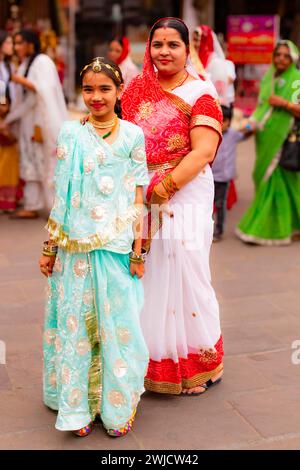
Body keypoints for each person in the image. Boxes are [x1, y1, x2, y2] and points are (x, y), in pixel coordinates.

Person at [39, 57, 149, 437]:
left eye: (105, 89)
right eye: (89, 89)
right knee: (75, 327)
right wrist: (50, 247)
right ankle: (77, 407)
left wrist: (138, 251)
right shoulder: (71, 133)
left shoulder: (133, 135)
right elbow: (61, 193)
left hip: (116, 246)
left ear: (119, 92)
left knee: (118, 325)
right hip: (74, 247)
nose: (96, 97)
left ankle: (116, 406)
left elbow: (140, 196)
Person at [122, 18, 224, 395]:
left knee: (185, 268)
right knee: (148, 274)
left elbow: (204, 151)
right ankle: (151, 360)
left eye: (173, 45)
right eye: (157, 44)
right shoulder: (135, 88)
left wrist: (165, 185)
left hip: (184, 191)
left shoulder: (200, 91)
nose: (164, 51)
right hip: (140, 193)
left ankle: (198, 361)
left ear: (186, 50)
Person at [236, 40, 300, 245]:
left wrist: (284, 103)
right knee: (265, 178)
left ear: (293, 59)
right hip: (265, 137)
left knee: (279, 182)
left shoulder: (297, 81)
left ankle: (263, 228)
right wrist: (250, 124)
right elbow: (261, 107)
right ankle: (293, 225)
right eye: (278, 55)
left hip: (285, 139)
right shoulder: (268, 79)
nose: (281, 59)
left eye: (286, 56)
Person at [3, 29, 68, 218]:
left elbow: (45, 89)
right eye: (14, 43)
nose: (16, 47)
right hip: (29, 122)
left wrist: (18, 79)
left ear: (31, 44)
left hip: (42, 122)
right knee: (31, 160)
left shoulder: (43, 62)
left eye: (19, 43)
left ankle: (56, 207)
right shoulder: (25, 64)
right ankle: (33, 204)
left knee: (47, 161)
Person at [212, 105, 252, 241]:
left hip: (224, 178)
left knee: (220, 204)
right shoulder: (211, 134)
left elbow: (247, 133)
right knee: (207, 205)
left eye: (224, 121)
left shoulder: (234, 135)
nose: (221, 124)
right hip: (210, 176)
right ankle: (205, 229)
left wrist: (250, 127)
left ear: (229, 122)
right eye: (218, 120)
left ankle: (219, 231)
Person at [0, 30, 20, 213]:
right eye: (8, 43)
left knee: (8, 157)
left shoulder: (7, 65)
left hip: (8, 113)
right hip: (3, 112)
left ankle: (7, 199)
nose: (11, 47)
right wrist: (2, 105)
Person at [192, 25, 229, 106]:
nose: (196, 44)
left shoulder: (215, 62)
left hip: (211, 105)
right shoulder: (191, 59)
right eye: (194, 40)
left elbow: (219, 92)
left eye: (199, 40)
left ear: (207, 41)